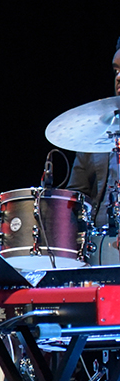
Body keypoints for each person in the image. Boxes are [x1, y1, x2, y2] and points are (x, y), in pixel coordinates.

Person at [64, 36, 120, 265]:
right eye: (116, 70)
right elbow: (77, 195)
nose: (119, 77)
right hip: (97, 247)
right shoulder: (95, 131)